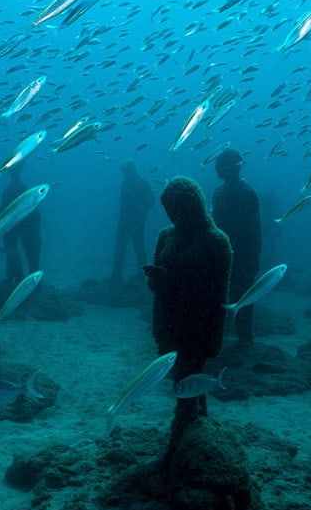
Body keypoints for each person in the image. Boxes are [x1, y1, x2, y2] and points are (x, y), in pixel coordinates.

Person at [145, 176, 232, 460]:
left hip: (196, 327)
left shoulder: (215, 242)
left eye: (177, 209)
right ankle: (200, 445)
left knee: (185, 390)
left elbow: (217, 294)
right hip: (168, 325)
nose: (172, 216)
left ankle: (178, 451)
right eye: (168, 210)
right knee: (190, 388)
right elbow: (160, 284)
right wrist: (157, 279)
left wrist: (213, 341)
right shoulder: (166, 236)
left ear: (193, 206)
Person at [212, 149, 261, 345]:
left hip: (240, 256)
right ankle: (235, 338)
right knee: (226, 297)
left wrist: (253, 259)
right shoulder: (220, 193)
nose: (220, 170)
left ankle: (245, 339)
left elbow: (255, 231)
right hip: (225, 255)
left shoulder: (247, 193)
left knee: (243, 298)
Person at [110, 160, 154, 282]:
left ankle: (142, 275)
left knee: (138, 247)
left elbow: (150, 200)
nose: (125, 174)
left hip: (136, 221)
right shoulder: (125, 184)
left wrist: (141, 213)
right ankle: (117, 275)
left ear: (132, 170)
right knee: (121, 248)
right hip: (125, 220)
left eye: (126, 171)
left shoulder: (142, 185)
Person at [1, 164, 42, 289]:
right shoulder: (21, 189)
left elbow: (4, 211)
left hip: (19, 226)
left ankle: (16, 279)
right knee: (30, 253)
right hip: (26, 226)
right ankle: (25, 280)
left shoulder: (10, 190)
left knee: (16, 250)